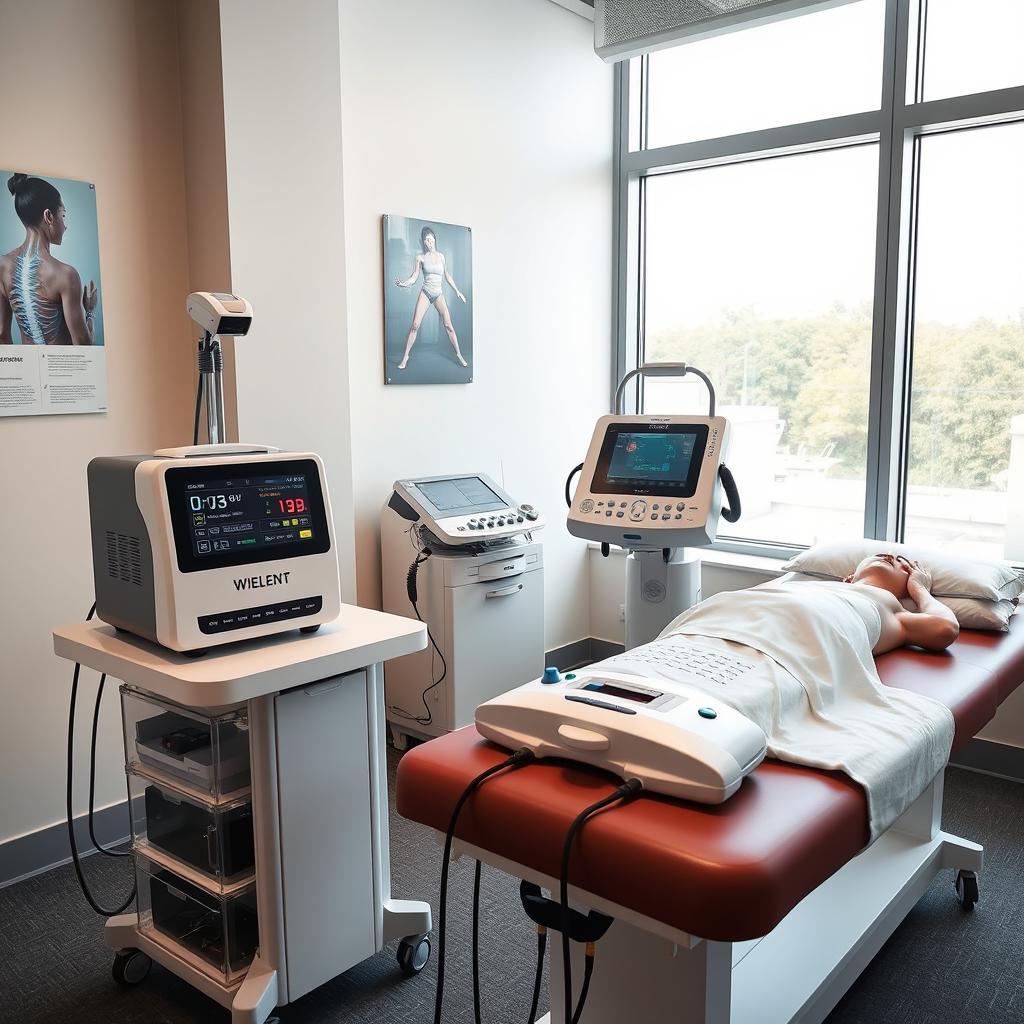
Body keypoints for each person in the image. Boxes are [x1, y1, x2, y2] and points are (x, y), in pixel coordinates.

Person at [0, 173, 97, 345]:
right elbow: (83, 345)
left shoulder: (3, 265)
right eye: (63, 215)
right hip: (61, 371)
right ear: (49, 216)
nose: (65, 225)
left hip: (25, 371)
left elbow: (2, 334)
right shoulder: (65, 274)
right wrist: (89, 312)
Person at [836, 552, 960, 654]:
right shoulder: (822, 585)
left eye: (901, 561)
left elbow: (946, 628)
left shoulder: (892, 613)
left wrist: (920, 589)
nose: (889, 557)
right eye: (879, 555)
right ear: (850, 578)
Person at [393, 225, 467, 370]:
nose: (429, 242)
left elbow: (447, 275)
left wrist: (457, 290)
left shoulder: (441, 256)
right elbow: (414, 277)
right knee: (415, 325)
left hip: (438, 293)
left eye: (430, 239)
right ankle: (405, 357)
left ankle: (458, 354)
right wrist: (403, 284)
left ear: (434, 239)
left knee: (448, 325)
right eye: (426, 240)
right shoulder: (420, 258)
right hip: (426, 292)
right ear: (424, 242)